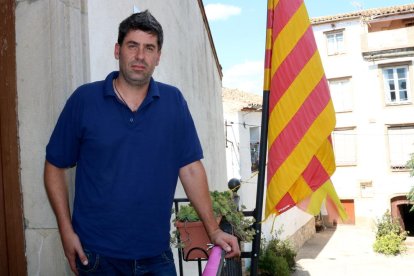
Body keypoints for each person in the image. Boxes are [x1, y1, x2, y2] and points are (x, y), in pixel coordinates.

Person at [44, 10, 240, 276]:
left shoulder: (174, 103)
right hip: (97, 257)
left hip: (155, 257)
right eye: (132, 45)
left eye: (149, 48)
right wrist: (66, 231)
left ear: (158, 56)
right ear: (118, 50)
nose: (140, 56)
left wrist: (213, 230)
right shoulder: (84, 101)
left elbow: (191, 168)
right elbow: (55, 166)